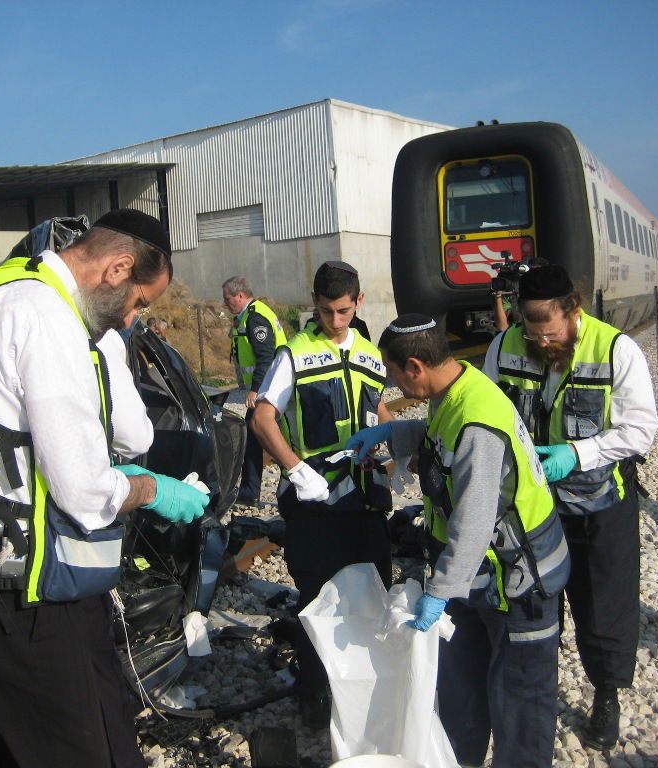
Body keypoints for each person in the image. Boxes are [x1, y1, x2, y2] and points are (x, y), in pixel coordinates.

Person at [0, 209, 209, 768]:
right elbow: (83, 491)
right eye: (140, 301)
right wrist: (152, 490)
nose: (132, 317)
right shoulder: (44, 313)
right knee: (77, 747)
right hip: (18, 585)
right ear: (118, 268)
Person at [347, 313, 570, 768]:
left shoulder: (476, 421)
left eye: (393, 373)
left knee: (519, 707)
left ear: (415, 366)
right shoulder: (453, 389)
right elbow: (439, 441)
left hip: (520, 583)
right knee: (462, 692)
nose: (392, 385)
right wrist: (393, 432)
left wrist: (440, 591)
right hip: (479, 577)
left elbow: (474, 521)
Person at [482, 264, 658, 750]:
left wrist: (577, 454)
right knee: (533, 601)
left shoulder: (616, 349)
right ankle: (536, 688)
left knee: (604, 604)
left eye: (551, 332)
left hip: (600, 505)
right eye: (532, 331)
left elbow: (641, 430)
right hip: (532, 508)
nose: (541, 342)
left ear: (572, 310)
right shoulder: (504, 345)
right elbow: (489, 410)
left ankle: (607, 694)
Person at [250, 260, 393, 728]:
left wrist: (398, 439)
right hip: (314, 504)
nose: (336, 320)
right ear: (314, 302)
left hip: (365, 500)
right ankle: (315, 695)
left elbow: (378, 405)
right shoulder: (294, 354)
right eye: (328, 310)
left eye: (344, 311)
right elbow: (263, 418)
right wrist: (295, 469)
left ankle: (370, 692)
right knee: (317, 602)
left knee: (375, 595)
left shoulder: (370, 353)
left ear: (359, 302)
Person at [222, 276, 287, 506]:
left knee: (269, 438)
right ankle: (250, 492)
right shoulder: (248, 316)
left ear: (240, 296)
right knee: (255, 439)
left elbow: (265, 357)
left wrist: (256, 389)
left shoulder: (255, 317)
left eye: (227, 299)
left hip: (270, 389)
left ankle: (290, 483)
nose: (225, 303)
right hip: (270, 388)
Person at [492, 255, 549, 332]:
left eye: (537, 274)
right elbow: (502, 327)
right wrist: (498, 295)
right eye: (530, 273)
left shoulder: (549, 296)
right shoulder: (512, 294)